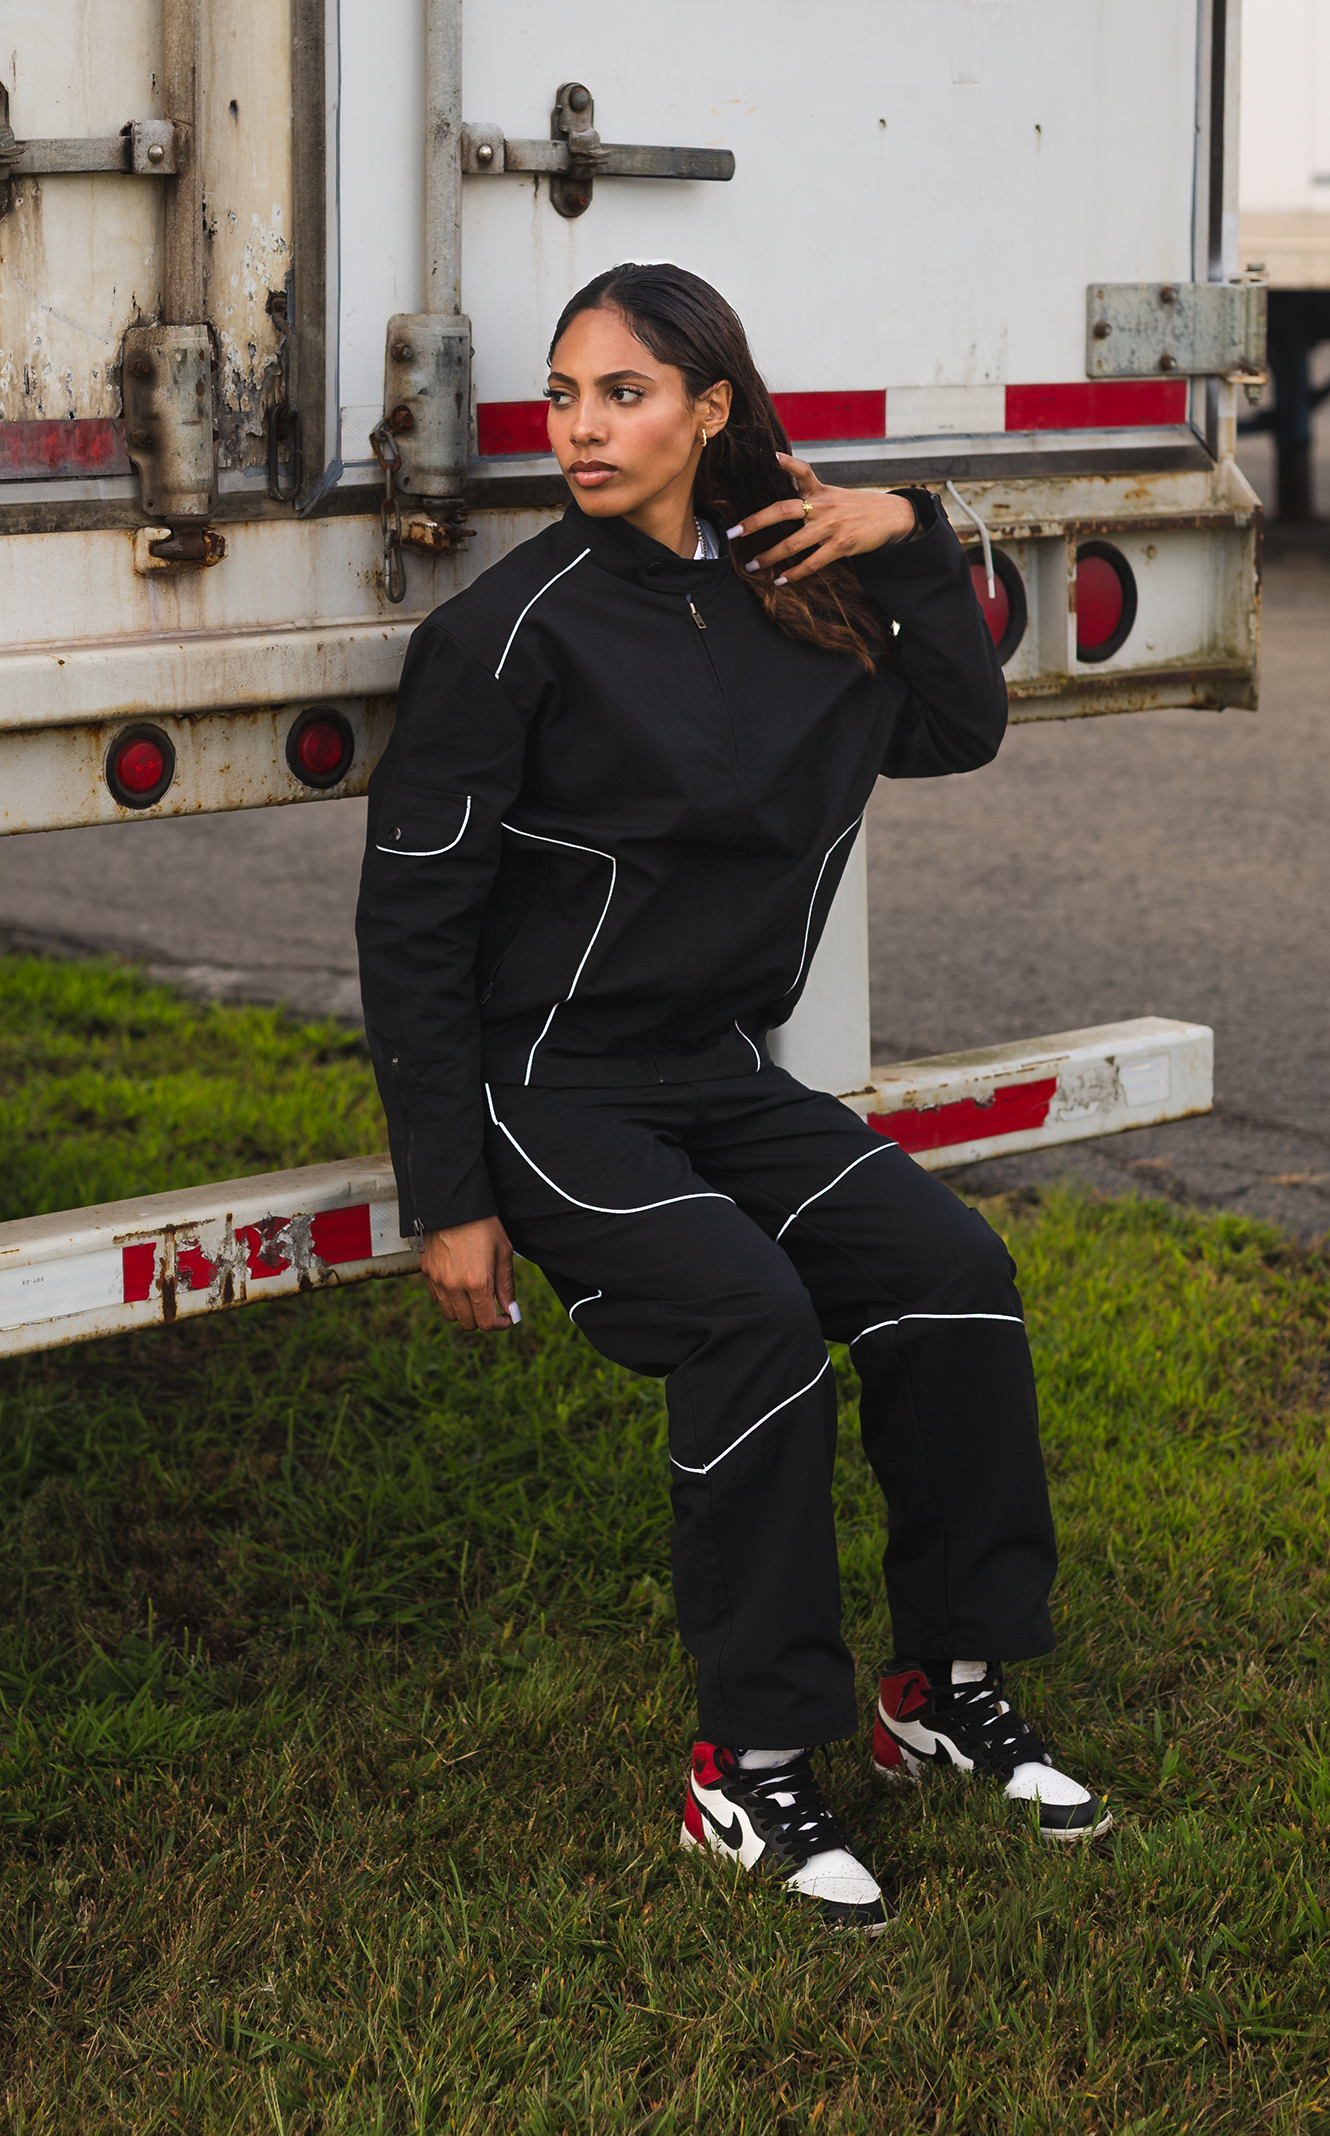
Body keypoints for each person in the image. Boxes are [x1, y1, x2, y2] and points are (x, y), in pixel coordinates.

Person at [355, 263, 1108, 1936]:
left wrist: (910, 528)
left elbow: (956, 726)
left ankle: (940, 1692)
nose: (578, 428)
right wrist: (449, 1194)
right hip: (553, 1088)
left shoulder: (793, 589)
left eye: (620, 392)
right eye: (561, 395)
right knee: (753, 1322)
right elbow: (411, 924)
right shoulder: (505, 634)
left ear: (708, 408)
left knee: (949, 1277)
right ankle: (752, 1769)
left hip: (715, 1072)